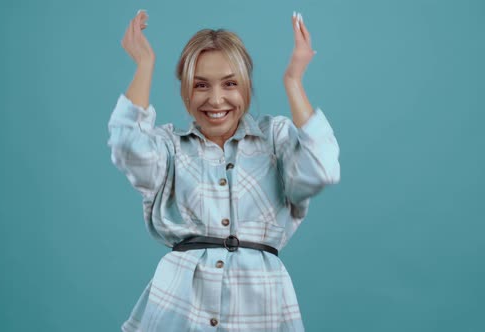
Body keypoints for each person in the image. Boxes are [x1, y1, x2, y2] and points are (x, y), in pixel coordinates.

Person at [108, 9, 340, 332]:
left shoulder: (274, 140)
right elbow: (127, 146)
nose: (216, 100)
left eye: (229, 83)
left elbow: (321, 167)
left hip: (262, 308)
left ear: (245, 85)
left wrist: (293, 81)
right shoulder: (170, 147)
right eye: (201, 85)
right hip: (178, 306)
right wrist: (144, 66)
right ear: (186, 89)